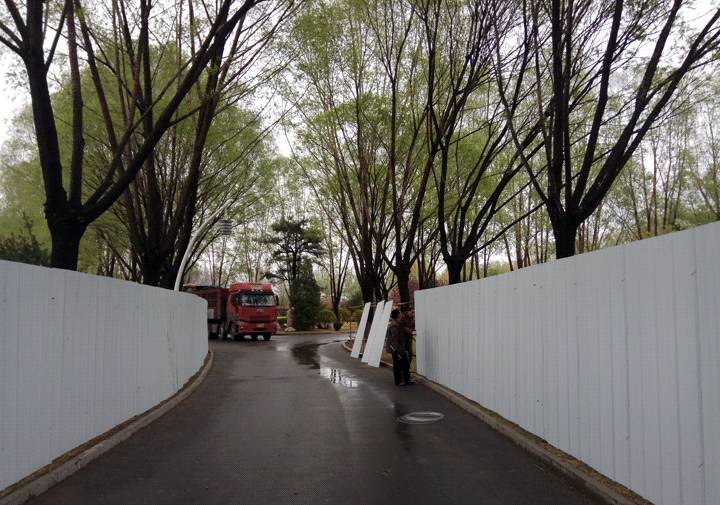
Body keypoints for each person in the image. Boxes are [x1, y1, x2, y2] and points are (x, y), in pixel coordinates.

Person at [386, 308, 414, 386]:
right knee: (398, 365)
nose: (401, 314)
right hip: (397, 349)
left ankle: (405, 380)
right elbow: (394, 340)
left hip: (400, 348)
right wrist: (398, 351)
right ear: (397, 315)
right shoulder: (394, 325)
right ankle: (399, 381)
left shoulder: (398, 323)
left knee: (405, 364)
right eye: (400, 313)